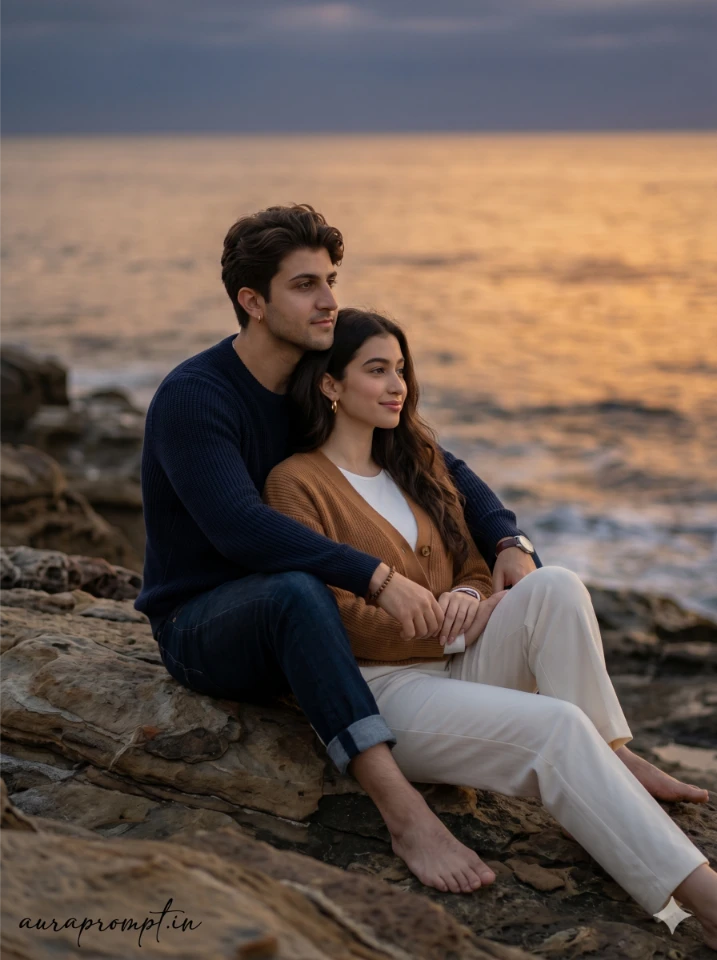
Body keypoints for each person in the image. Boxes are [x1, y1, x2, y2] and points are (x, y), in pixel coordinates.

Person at [262, 305, 717, 945]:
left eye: (401, 370)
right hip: (383, 693)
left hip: (458, 661)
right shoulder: (295, 484)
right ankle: (705, 899)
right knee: (556, 727)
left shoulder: (415, 463)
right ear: (331, 384)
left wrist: (470, 598)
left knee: (556, 584)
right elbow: (331, 617)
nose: (397, 386)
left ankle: (612, 755)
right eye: (377, 370)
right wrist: (449, 626)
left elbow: (474, 565)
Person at [135, 203, 537, 896]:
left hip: (313, 625)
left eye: (330, 280)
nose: (328, 301)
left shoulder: (311, 383)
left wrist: (506, 537)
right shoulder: (196, 397)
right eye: (304, 285)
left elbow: (431, 459)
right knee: (295, 591)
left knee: (534, 590)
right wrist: (376, 577)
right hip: (202, 625)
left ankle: (601, 751)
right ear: (252, 302)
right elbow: (238, 526)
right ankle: (403, 812)